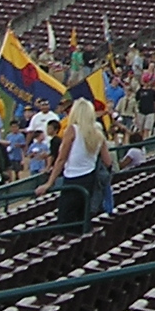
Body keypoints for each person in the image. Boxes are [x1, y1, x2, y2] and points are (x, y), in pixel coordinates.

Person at [47, 96, 113, 230]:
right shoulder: (98, 132)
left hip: (72, 180)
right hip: (90, 179)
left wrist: (49, 182)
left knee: (66, 222)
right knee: (83, 219)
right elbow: (108, 161)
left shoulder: (72, 130)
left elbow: (61, 159)